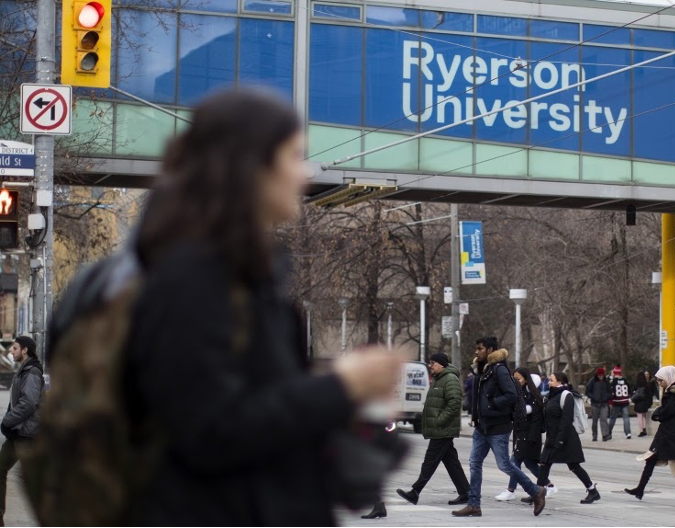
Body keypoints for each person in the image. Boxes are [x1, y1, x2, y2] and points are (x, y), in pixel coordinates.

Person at [124, 89, 402, 526]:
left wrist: (362, 410)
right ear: (250, 166)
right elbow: (208, 434)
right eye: (294, 156)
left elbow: (289, 448)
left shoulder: (252, 278)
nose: (306, 173)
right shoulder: (191, 278)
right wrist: (338, 388)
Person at [454, 338, 545, 518]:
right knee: (474, 463)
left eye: (480, 349)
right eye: (476, 349)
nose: (476, 352)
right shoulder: (483, 369)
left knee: (504, 464)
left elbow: (511, 395)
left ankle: (536, 491)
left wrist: (491, 405)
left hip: (498, 426)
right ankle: (474, 505)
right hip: (482, 426)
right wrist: (476, 416)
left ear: (490, 350)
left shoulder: (500, 369)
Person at [397, 353, 469, 507]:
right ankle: (466, 492)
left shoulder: (450, 379)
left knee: (430, 461)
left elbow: (455, 403)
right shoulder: (440, 379)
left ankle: (415, 492)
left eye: (433, 363)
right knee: (451, 462)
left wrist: (439, 421)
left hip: (443, 429)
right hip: (441, 429)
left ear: (442, 364)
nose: (430, 366)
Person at [625, 366, 675, 502]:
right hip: (671, 432)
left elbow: (669, 411)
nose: (660, 383)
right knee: (652, 458)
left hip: (672, 433)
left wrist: (657, 415)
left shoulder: (674, 392)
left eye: (661, 380)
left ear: (668, 377)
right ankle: (640, 489)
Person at [496, 368, 556, 502]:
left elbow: (535, 419)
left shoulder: (532, 396)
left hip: (529, 436)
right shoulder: (518, 393)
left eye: (518, 379)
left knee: (514, 462)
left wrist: (531, 438)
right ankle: (549, 485)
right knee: (530, 464)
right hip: (521, 434)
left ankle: (511, 490)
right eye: (514, 379)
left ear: (526, 380)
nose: (515, 381)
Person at [539, 373, 600, 505]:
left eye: (551, 380)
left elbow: (566, 420)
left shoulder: (566, 396)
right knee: (544, 463)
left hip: (566, 438)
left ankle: (592, 491)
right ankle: (538, 493)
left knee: (574, 466)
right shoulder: (549, 396)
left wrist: (559, 441)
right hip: (552, 437)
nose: (549, 382)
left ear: (560, 382)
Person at [0, 336, 42, 525]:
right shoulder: (24, 370)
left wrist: (8, 420)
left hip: (26, 435)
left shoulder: (31, 372)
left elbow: (28, 403)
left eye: (15, 348)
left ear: (25, 350)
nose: (11, 351)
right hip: (19, 434)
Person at [586, 367, 612, 442]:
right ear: (597, 375)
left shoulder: (606, 382)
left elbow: (610, 392)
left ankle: (605, 435)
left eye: (602, 375)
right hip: (595, 404)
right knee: (594, 420)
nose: (601, 377)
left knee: (604, 419)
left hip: (604, 403)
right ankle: (595, 435)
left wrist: (606, 397)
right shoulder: (592, 381)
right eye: (599, 375)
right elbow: (588, 391)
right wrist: (593, 397)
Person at [608, 366, 633, 440]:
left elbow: (611, 392)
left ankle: (609, 432)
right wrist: (628, 397)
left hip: (616, 402)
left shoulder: (613, 381)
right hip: (624, 401)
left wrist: (610, 402)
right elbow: (629, 389)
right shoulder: (625, 380)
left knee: (612, 418)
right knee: (626, 418)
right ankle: (628, 432)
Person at [633, 371, 656, 438]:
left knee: (639, 417)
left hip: (638, 403)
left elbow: (634, 392)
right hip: (645, 403)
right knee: (643, 416)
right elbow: (649, 394)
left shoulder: (637, 384)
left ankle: (641, 431)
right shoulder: (646, 384)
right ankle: (644, 429)